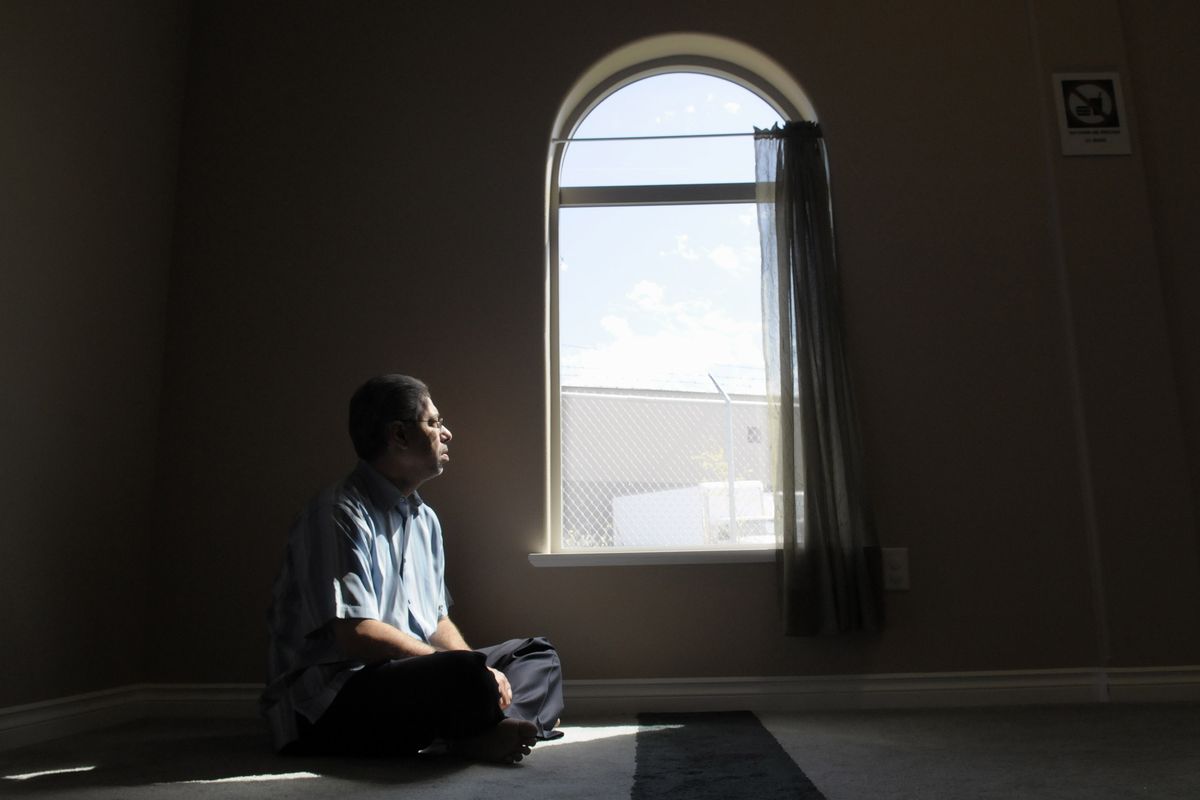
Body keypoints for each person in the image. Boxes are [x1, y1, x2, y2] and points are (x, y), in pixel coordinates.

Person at [261, 374, 563, 763]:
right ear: (400, 436)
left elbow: (436, 621)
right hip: (333, 698)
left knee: (538, 654)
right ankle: (482, 728)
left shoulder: (426, 519)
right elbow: (357, 635)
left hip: (410, 674)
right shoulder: (338, 514)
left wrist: (481, 668)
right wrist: (469, 672)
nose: (447, 433)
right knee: (462, 673)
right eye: (435, 422)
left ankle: (491, 731)